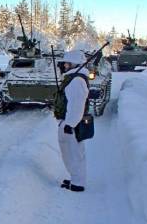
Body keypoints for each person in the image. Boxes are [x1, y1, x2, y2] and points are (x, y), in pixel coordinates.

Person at [55, 50, 89, 192]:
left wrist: (70, 125)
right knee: (70, 152)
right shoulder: (74, 79)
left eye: (67, 63)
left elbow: (77, 105)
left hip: (72, 124)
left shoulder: (76, 81)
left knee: (73, 152)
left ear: (74, 64)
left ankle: (78, 182)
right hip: (69, 122)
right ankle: (75, 178)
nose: (64, 66)